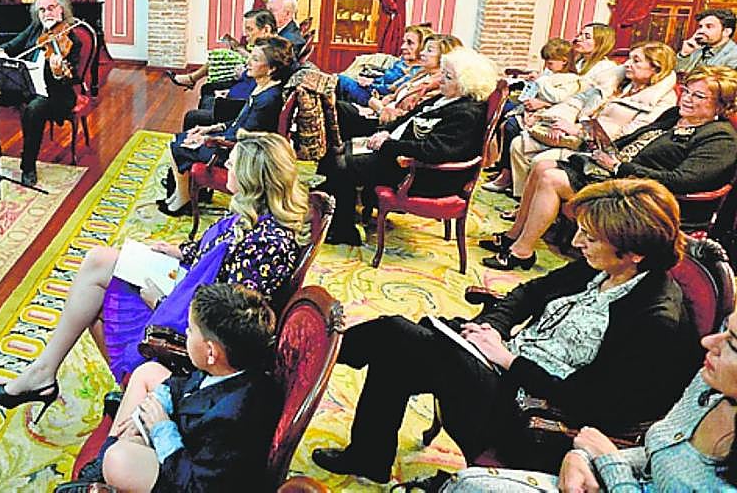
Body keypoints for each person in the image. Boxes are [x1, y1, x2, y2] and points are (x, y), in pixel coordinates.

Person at [312, 178, 700, 483]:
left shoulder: (655, 319)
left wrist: (508, 360)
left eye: (590, 237)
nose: (577, 242)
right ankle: (365, 447)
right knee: (401, 346)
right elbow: (530, 292)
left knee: (399, 335)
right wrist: (489, 328)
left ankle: (320, 349)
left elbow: (591, 403)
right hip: (503, 363)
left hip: (531, 412)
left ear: (635, 252)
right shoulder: (603, 265)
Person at [0, 131, 308, 408]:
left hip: (192, 325)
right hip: (190, 289)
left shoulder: (268, 245)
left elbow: (230, 322)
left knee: (93, 301)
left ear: (253, 178)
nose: (224, 166)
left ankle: (115, 386)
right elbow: (218, 253)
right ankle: (48, 372)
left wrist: (159, 300)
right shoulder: (254, 215)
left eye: (232, 163)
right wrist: (179, 251)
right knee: (99, 261)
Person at [440, 309, 737, 492]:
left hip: (611, 472)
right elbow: (653, 451)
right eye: (724, 329)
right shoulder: (709, 384)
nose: (709, 342)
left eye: (733, 344)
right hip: (610, 479)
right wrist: (582, 457)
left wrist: (608, 462)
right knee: (467, 484)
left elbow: (587, 399)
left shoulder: (653, 318)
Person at [482, 66, 737, 270]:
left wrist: (619, 167)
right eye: (688, 91)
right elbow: (632, 140)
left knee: (551, 178)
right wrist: (594, 142)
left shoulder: (719, 138)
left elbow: (682, 181)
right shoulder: (674, 116)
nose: (688, 99)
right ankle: (513, 235)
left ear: (721, 105)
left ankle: (521, 252)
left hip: (647, 198)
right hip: (622, 177)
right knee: (542, 166)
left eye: (699, 96)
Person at [67, 283, 281, 493]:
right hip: (195, 433)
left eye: (190, 330)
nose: (186, 333)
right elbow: (183, 384)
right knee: (148, 372)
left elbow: (196, 485)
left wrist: (160, 427)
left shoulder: (230, 419)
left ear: (210, 352)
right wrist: (152, 409)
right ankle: (98, 471)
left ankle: (104, 465)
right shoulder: (230, 365)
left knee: (118, 459)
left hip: (193, 475)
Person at [317, 47, 498, 246]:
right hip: (402, 153)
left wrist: (388, 144)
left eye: (448, 76)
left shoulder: (466, 114)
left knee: (344, 163)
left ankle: (342, 229)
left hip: (422, 174)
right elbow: (408, 119)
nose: (440, 80)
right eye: (443, 74)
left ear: (465, 84)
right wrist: (386, 131)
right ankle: (332, 202)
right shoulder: (446, 98)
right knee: (342, 150)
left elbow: (432, 151)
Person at [502, 41, 679, 199]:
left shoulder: (661, 100)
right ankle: (524, 202)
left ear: (656, 68)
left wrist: (578, 130)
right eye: (629, 59)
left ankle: (538, 209)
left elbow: (631, 134)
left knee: (541, 161)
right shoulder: (616, 82)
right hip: (574, 134)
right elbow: (576, 101)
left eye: (636, 61)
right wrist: (559, 121)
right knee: (519, 144)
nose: (628, 64)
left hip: (603, 150)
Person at [159, 36, 294, 216]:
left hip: (238, 154)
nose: (248, 63)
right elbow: (239, 121)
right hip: (232, 142)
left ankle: (183, 200)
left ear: (271, 69)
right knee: (180, 138)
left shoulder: (268, 100)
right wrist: (209, 129)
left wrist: (208, 139)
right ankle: (180, 196)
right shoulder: (263, 87)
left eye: (255, 59)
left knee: (177, 146)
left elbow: (246, 137)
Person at [0, 0, 82, 188]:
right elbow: (10, 45)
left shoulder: (72, 41)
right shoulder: (36, 29)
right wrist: (1, 53)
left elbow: (73, 78)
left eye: (51, 8)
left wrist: (58, 72)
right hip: (26, 85)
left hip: (54, 94)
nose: (46, 13)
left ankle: (28, 166)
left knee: (35, 109)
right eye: (42, 10)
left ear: (62, 9)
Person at [482, 37, 577, 194]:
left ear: (564, 61)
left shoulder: (571, 79)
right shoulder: (550, 74)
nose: (547, 65)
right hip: (534, 111)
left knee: (511, 125)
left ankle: (507, 175)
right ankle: (502, 167)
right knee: (505, 116)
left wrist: (541, 82)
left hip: (549, 116)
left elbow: (556, 98)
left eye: (551, 62)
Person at [336, 34, 462, 141]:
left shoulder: (441, 85)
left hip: (390, 125)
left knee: (341, 105)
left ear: (445, 56)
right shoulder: (422, 74)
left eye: (429, 50)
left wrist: (379, 109)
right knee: (339, 102)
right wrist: (380, 104)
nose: (422, 53)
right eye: (423, 49)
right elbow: (393, 94)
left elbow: (414, 116)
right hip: (379, 111)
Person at [167, 7, 277, 93]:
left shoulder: (274, 51)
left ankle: (191, 79)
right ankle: (191, 79)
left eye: (250, 30)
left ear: (266, 29)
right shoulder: (265, 44)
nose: (245, 34)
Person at [335, 23, 433, 106]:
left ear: (422, 46)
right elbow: (384, 79)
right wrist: (371, 80)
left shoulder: (418, 71)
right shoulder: (403, 61)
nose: (403, 47)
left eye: (410, 43)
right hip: (371, 89)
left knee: (340, 80)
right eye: (403, 42)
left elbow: (393, 89)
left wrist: (371, 85)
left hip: (376, 98)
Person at [677, 7, 737, 72]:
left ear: (726, 32)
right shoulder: (697, 49)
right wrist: (684, 55)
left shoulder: (734, 56)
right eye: (700, 27)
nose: (701, 31)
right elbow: (678, 74)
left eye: (709, 27)